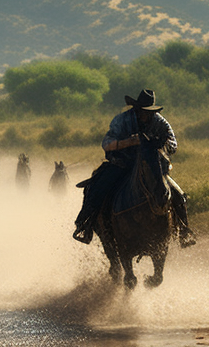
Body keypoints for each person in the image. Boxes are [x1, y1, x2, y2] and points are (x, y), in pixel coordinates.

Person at [73, 89, 196, 247]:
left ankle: (184, 231)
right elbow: (106, 143)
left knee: (178, 195)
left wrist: (158, 144)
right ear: (137, 110)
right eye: (145, 112)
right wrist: (129, 142)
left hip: (150, 166)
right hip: (122, 164)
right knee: (97, 189)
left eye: (150, 112)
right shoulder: (122, 120)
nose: (148, 115)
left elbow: (173, 144)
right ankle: (86, 225)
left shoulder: (159, 122)